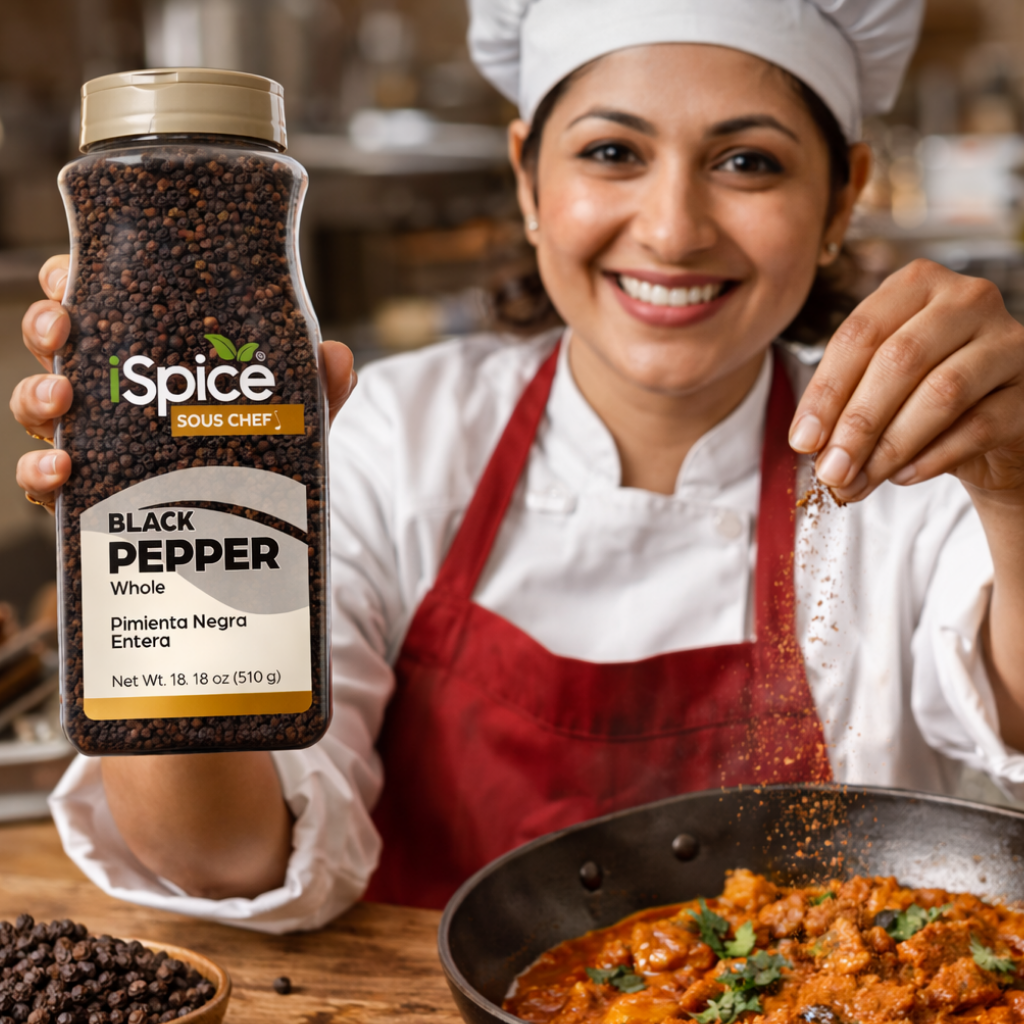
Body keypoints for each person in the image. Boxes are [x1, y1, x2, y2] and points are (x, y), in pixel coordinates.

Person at [11, 0, 1024, 933]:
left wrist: (1015, 482)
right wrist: (151, 544)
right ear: (527, 176)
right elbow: (227, 858)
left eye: (747, 163)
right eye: (613, 151)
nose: (671, 230)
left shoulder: (916, 463)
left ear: (841, 193)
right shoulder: (393, 442)